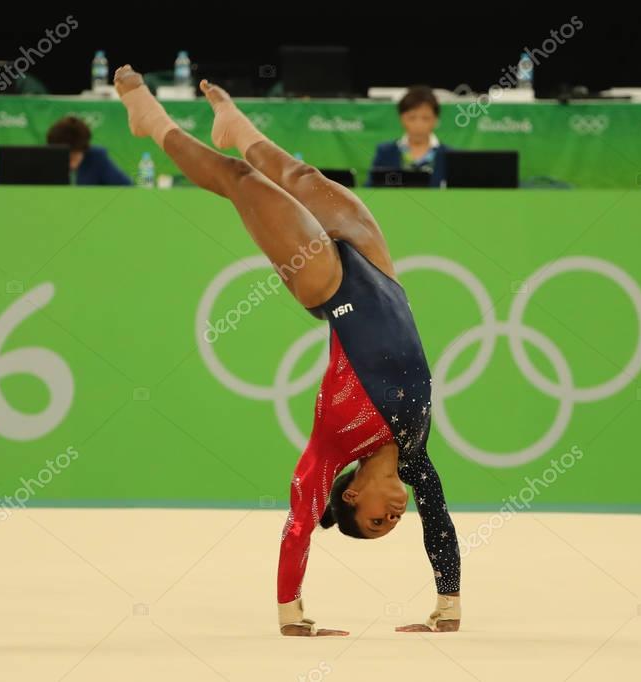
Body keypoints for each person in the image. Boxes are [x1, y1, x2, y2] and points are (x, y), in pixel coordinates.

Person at [113, 64, 461, 637]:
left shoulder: (330, 449)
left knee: (241, 183)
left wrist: (291, 616)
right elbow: (440, 526)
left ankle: (148, 117)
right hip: (381, 271)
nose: (394, 519)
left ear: (350, 494)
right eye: (393, 526)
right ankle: (233, 122)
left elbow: (300, 524)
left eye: (375, 522)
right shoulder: (416, 455)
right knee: (299, 173)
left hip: (331, 286)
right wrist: (448, 607)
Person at [368, 86, 449, 188]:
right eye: (412, 118)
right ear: (402, 118)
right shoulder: (385, 153)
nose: (418, 124)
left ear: (436, 120)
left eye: (425, 118)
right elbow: (371, 188)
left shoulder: (449, 156)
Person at [46, 115, 132, 186]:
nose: (70, 165)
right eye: (65, 158)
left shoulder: (97, 158)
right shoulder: (45, 161)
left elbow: (127, 188)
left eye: (74, 157)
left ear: (84, 149)